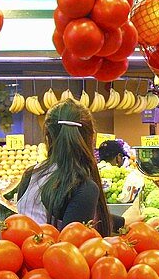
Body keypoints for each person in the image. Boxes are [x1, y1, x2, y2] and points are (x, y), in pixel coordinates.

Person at [16, 100, 114, 235]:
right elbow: (72, 246)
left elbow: (74, 210)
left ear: (47, 137)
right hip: (55, 255)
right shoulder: (84, 188)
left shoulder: (30, 175)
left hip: (18, 254)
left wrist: (123, 222)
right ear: (92, 138)